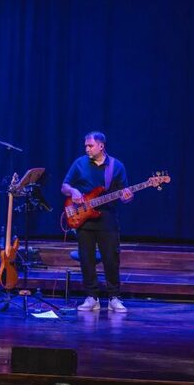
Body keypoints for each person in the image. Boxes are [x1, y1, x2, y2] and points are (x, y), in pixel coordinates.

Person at [62, 131, 133, 313]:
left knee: (111, 259)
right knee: (87, 259)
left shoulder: (116, 166)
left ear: (101, 146)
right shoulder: (79, 163)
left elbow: (124, 196)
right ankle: (91, 297)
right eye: (86, 145)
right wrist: (74, 192)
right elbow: (64, 186)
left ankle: (114, 298)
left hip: (108, 219)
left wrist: (127, 197)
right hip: (83, 219)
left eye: (90, 145)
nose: (87, 148)